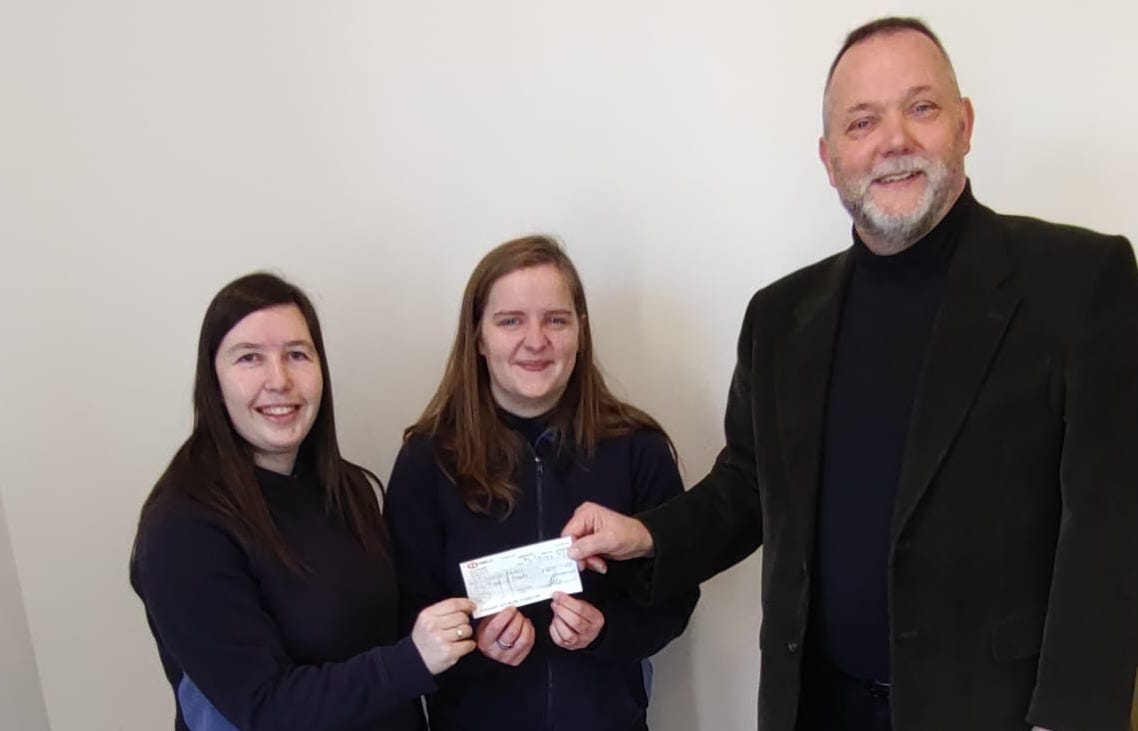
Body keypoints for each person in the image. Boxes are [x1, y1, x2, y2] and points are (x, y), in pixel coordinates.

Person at [563, 17, 1138, 731]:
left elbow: (1111, 521)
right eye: (862, 122)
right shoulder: (780, 318)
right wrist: (647, 535)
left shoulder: (1081, 283)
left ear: (964, 124)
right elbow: (749, 485)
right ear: (830, 158)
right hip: (818, 708)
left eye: (921, 108)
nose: (893, 140)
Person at [131, 273, 477, 731]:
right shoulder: (182, 528)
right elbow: (264, 707)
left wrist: (477, 632)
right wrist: (412, 660)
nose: (279, 380)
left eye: (296, 354)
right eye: (249, 357)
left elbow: (390, 634)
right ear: (213, 381)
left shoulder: (349, 489)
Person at [384, 235, 698, 730]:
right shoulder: (427, 460)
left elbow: (676, 595)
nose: (536, 341)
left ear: (580, 331)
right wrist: (475, 644)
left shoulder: (638, 447)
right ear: (478, 337)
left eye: (555, 320)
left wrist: (606, 631)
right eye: (511, 321)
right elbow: (403, 613)